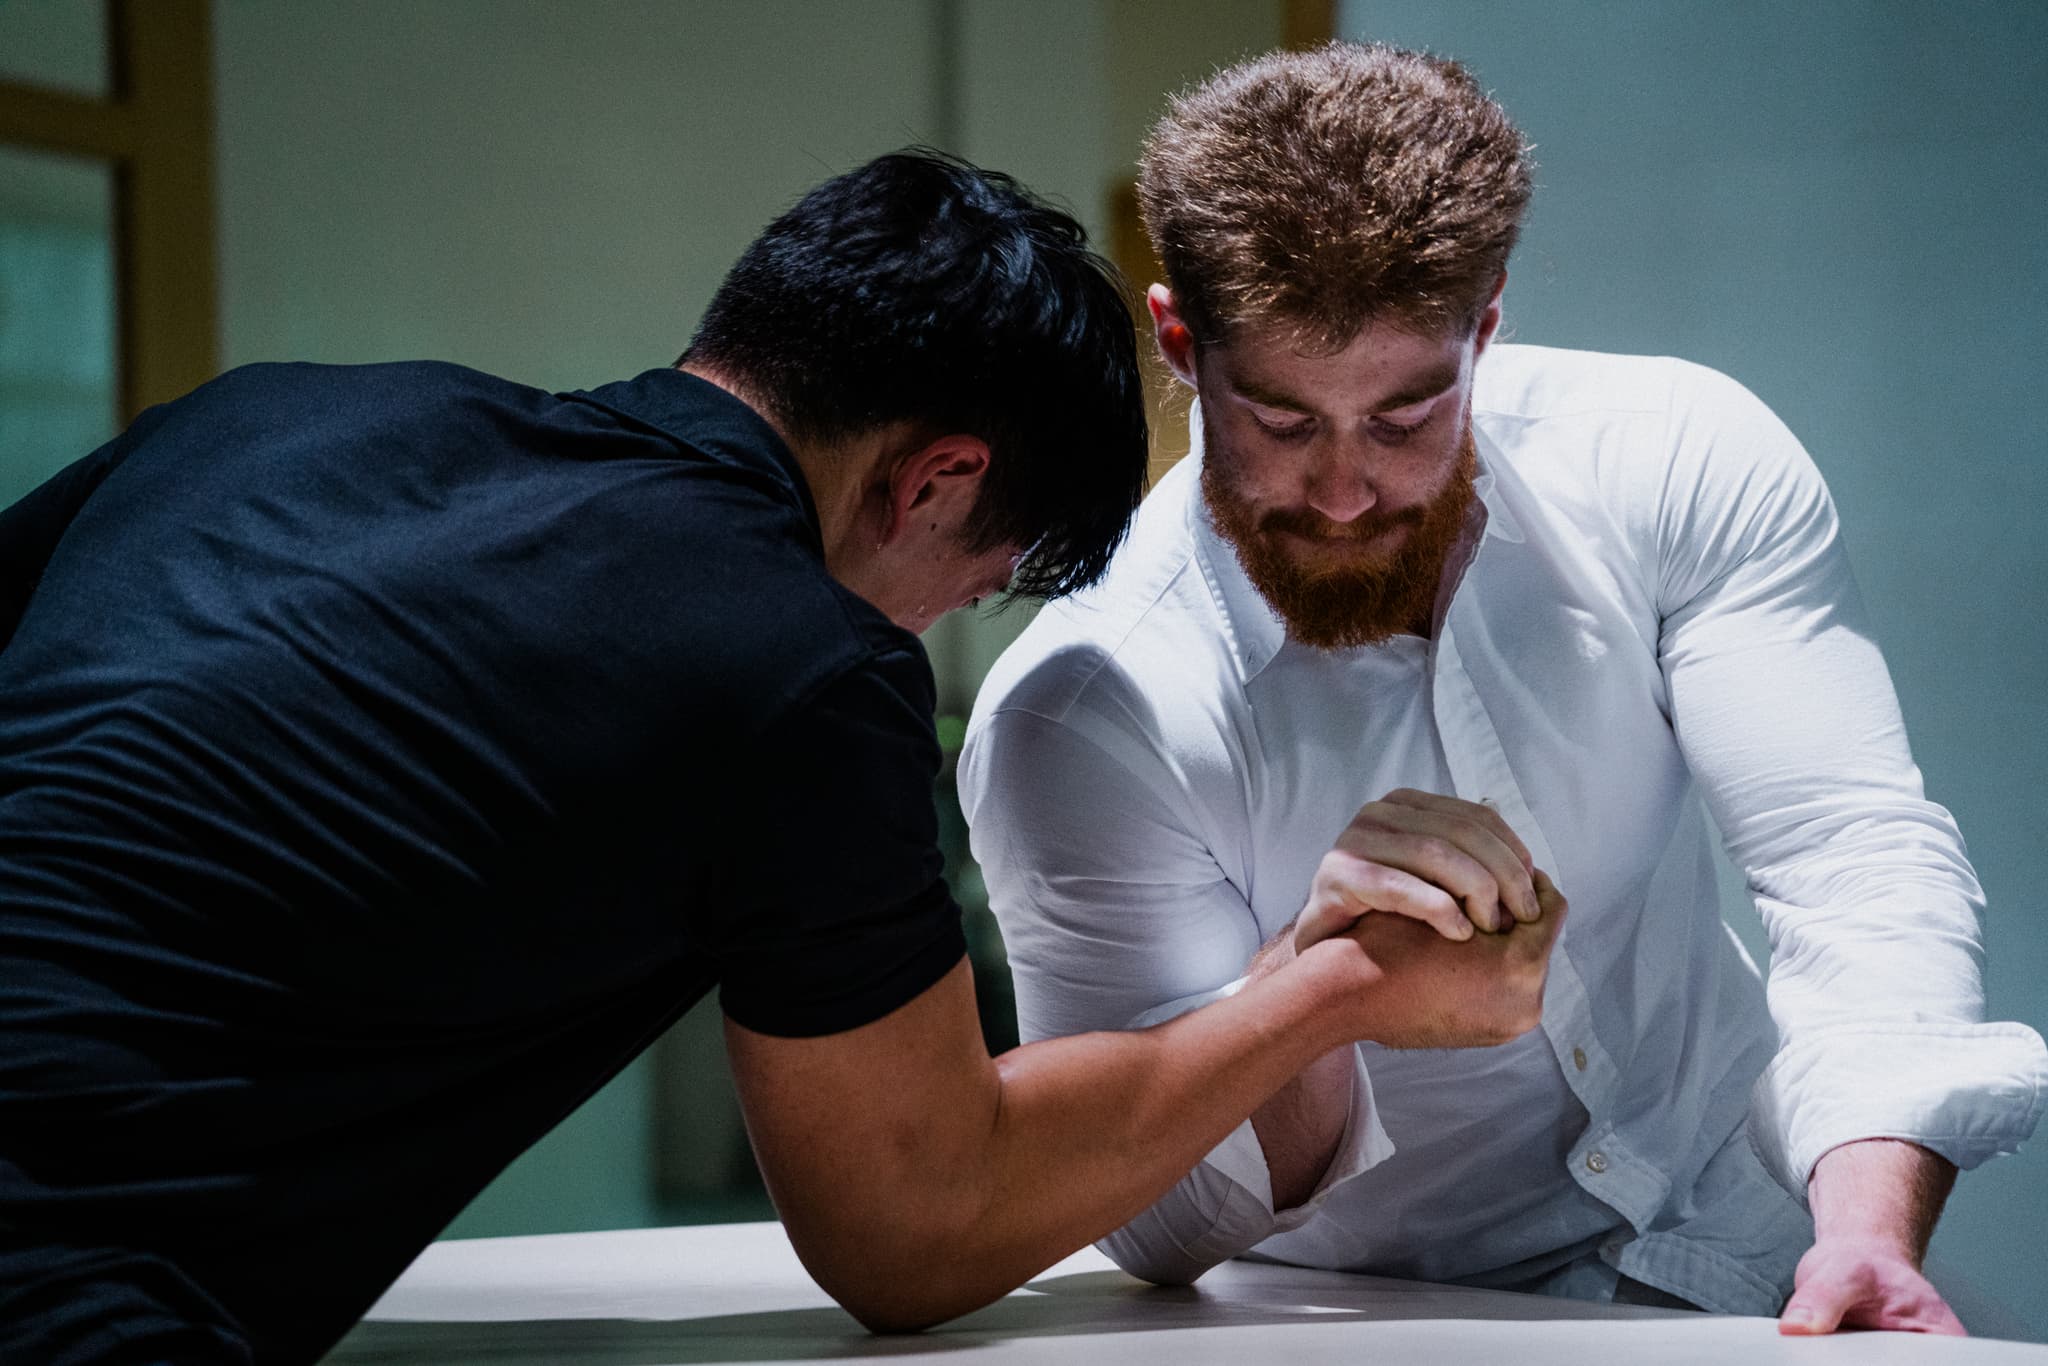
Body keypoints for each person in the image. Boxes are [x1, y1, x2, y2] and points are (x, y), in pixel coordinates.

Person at [0, 148, 1569, 1364]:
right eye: (986, 573)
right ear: (935, 480)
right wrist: (1338, 985)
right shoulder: (802, 669)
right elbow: (915, 1223)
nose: (954, 617)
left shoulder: (266, 421)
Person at [961, 44, 2048, 1338]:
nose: (1346, 489)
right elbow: (1155, 1224)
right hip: (1391, 1319)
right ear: (1181, 343)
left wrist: (1863, 1238)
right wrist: (1312, 989)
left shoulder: (1674, 459)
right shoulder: (1087, 710)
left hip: (1766, 1248)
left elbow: (1848, 853)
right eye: (1285, 420)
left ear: (1485, 330)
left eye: (1410, 414)